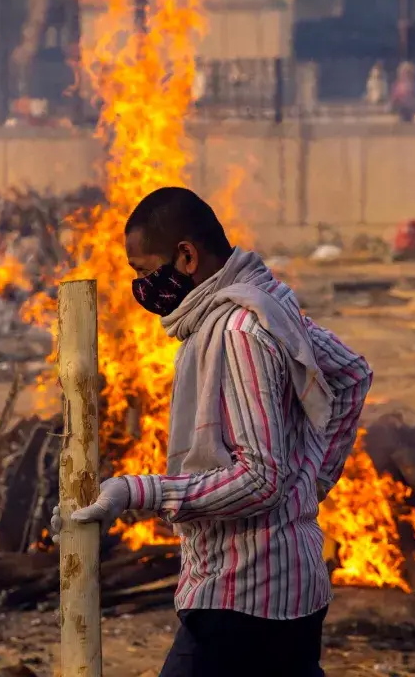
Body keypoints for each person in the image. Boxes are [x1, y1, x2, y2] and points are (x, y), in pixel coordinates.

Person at [53, 186, 373, 677]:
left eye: (143, 271)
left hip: (246, 593)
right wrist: (313, 478)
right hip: (289, 586)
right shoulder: (266, 303)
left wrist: (137, 492)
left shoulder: (237, 332)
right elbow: (351, 374)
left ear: (186, 256)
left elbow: (260, 479)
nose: (141, 287)